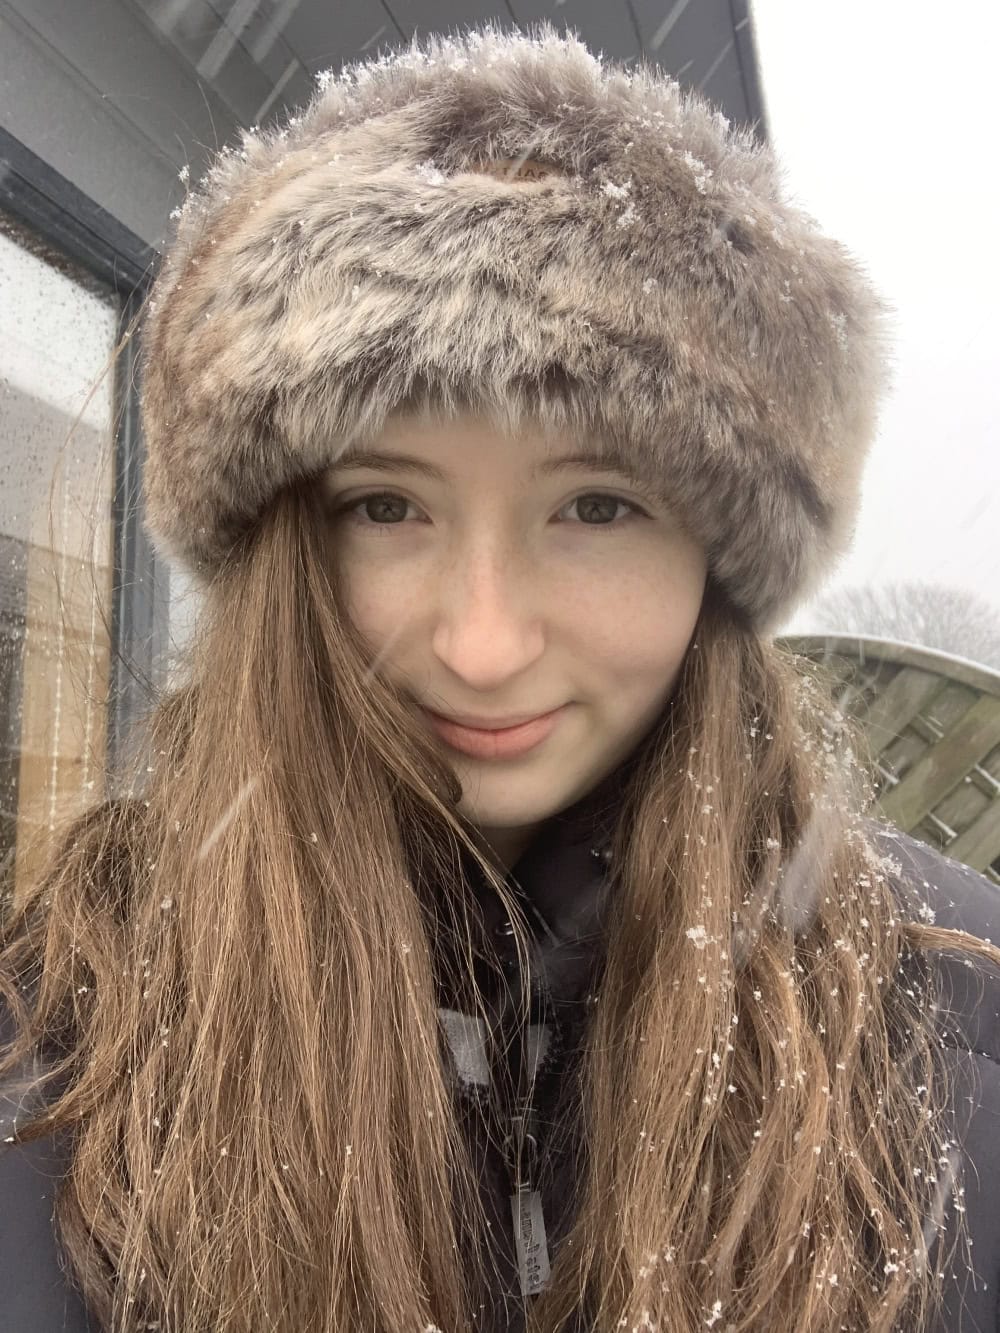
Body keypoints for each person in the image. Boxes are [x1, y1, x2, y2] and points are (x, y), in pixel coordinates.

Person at [2, 21, 999, 1333]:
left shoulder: (950, 1017)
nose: (482, 644)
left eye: (595, 505)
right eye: (385, 506)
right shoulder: (65, 1024)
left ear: (722, 555)